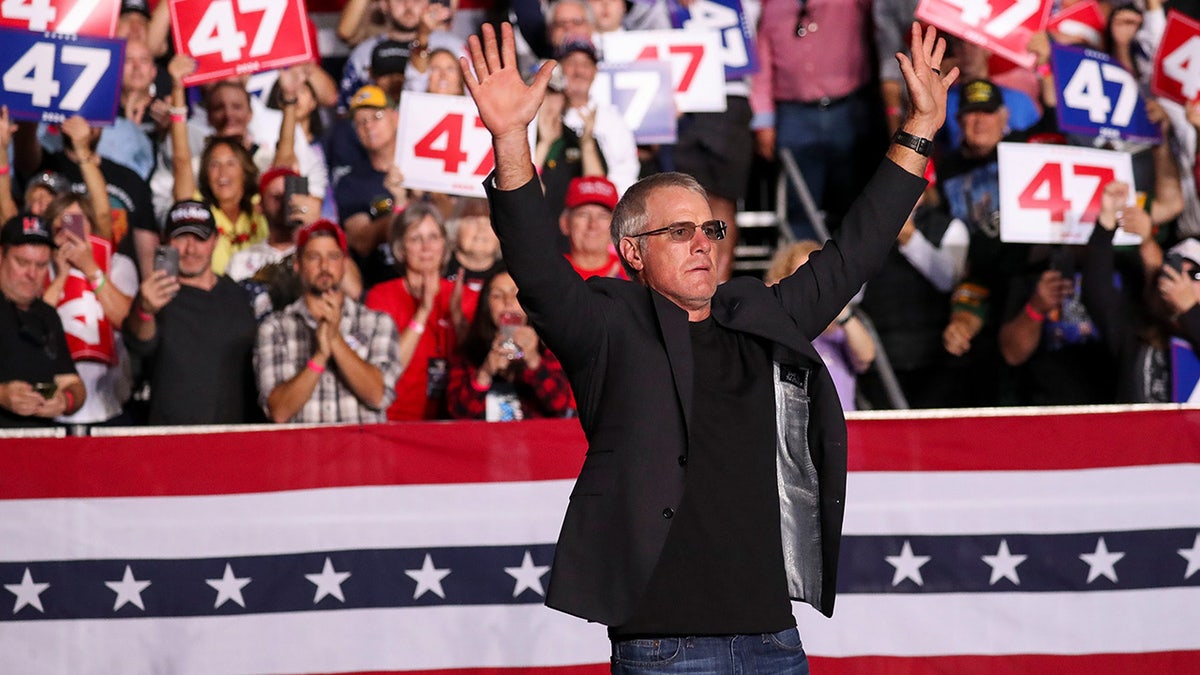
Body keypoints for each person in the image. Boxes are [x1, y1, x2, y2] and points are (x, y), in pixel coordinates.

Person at [464, 21, 953, 669]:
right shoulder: (607, 324)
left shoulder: (757, 313)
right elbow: (534, 261)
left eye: (712, 228)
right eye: (681, 230)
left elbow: (853, 252)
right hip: (666, 648)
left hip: (774, 641)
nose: (705, 241)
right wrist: (508, 139)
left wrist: (917, 128)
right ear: (632, 250)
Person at [125, 200, 259, 425]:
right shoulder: (155, 295)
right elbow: (140, 342)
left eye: (200, 238)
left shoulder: (239, 296)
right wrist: (145, 311)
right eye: (181, 237)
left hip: (235, 437)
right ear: (165, 241)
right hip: (172, 438)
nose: (190, 249)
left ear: (215, 240)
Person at [255, 221, 402, 423]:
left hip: (360, 453)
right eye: (314, 257)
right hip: (303, 453)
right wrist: (319, 357)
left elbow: (377, 396)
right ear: (297, 264)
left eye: (333, 257)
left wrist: (334, 340)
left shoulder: (378, 322)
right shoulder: (274, 328)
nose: (324, 266)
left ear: (345, 264)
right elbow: (279, 411)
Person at [364, 203, 458, 420]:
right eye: (415, 239)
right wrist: (422, 313)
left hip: (453, 421)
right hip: (397, 420)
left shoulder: (463, 296)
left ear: (444, 244)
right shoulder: (381, 297)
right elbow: (385, 373)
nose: (426, 247)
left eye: (433, 237)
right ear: (400, 247)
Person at [446, 269, 574, 420]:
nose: (508, 301)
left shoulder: (549, 347)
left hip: (535, 440)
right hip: (485, 441)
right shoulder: (469, 351)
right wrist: (485, 373)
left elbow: (560, 404)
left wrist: (534, 361)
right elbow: (457, 414)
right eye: (497, 296)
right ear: (487, 306)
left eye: (515, 294)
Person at [764, 241, 876, 411]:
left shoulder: (838, 333)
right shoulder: (777, 330)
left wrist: (841, 310)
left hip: (842, 429)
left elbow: (866, 357)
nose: (811, 286)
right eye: (802, 276)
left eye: (817, 277)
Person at [0, 215, 86, 427]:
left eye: (41, 265)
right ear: (1, 256)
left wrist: (65, 401)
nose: (31, 274)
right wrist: (2, 395)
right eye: (22, 262)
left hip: (41, 447)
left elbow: (73, 383)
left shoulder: (47, 315)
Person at [560, 176, 626, 279]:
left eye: (603, 216)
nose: (593, 225)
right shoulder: (549, 274)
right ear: (565, 223)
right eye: (583, 214)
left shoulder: (634, 276)